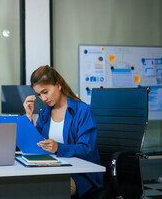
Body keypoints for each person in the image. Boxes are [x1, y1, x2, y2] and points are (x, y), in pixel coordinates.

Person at [23, 65, 103, 198]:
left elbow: (87, 148)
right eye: (39, 95)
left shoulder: (82, 110)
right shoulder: (44, 113)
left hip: (80, 175)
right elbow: (34, 145)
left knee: (46, 191)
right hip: (53, 170)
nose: (43, 98)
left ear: (58, 85)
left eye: (45, 92)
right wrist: (28, 117)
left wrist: (57, 148)